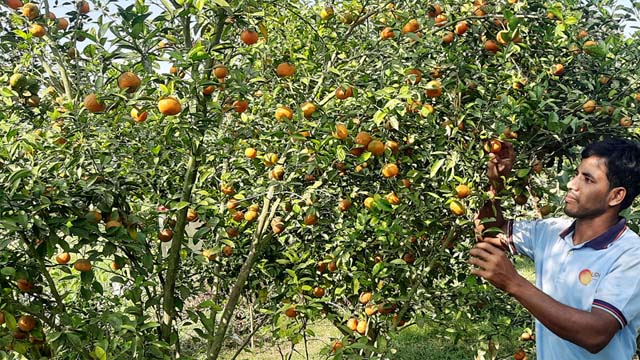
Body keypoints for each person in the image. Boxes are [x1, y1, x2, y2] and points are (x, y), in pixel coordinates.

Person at [470, 138, 640, 359]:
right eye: (577, 174)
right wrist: (496, 184)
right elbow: (490, 229)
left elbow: (596, 334)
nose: (572, 184)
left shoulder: (630, 254)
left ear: (616, 195)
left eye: (587, 179)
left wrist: (514, 283)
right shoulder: (550, 232)